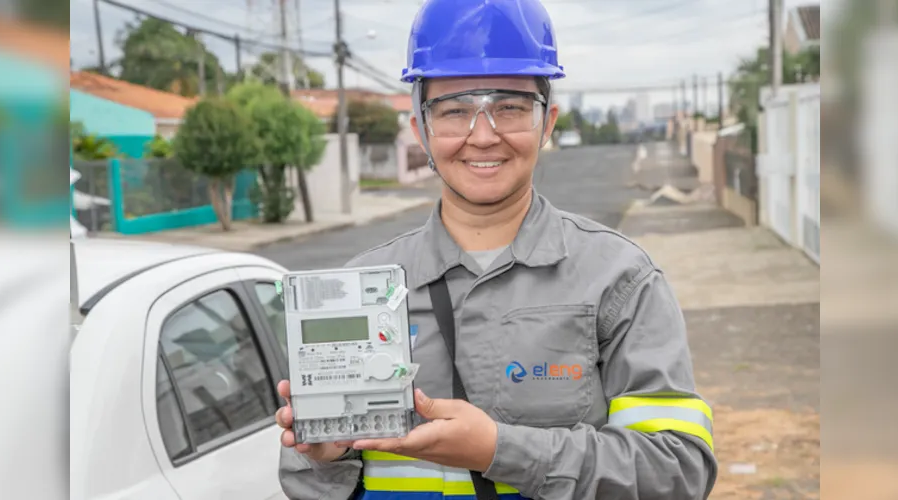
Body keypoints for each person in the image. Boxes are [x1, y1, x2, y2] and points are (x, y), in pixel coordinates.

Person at [275, 0, 718, 498]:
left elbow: (678, 474)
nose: (482, 136)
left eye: (509, 107)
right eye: (455, 111)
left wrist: (496, 450)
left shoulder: (619, 279)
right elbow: (303, 485)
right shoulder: (360, 287)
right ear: (421, 129)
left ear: (547, 122)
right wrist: (328, 457)